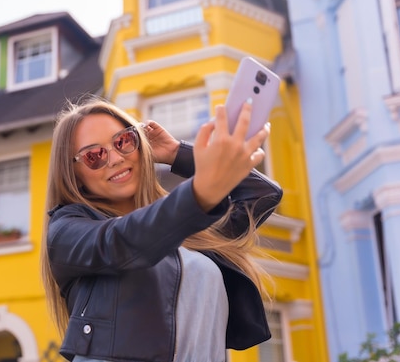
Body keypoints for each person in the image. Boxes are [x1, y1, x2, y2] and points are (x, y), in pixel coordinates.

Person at [40, 95, 283, 362]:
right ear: (73, 173)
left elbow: (261, 194)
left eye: (123, 141)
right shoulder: (65, 232)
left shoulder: (185, 226)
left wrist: (176, 153)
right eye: (94, 155)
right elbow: (124, 241)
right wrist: (199, 193)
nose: (116, 159)